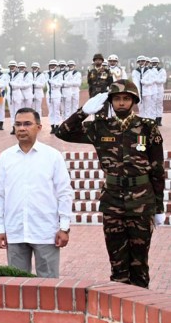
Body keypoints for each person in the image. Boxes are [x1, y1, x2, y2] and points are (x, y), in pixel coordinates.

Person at [55, 80, 165, 288]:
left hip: (141, 201)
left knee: (140, 264)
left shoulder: (147, 127)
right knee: (117, 264)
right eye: (117, 99)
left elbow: (157, 169)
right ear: (111, 102)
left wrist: (158, 207)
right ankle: (119, 302)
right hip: (113, 202)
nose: (121, 103)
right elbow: (63, 132)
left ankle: (140, 303)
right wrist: (83, 112)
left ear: (134, 101)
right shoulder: (100, 127)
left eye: (126, 99)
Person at [0, 107, 73, 278]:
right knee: (17, 285)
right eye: (18, 124)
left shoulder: (52, 156)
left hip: (46, 232)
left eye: (27, 124)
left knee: (49, 285)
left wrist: (64, 227)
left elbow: (64, 193)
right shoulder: (5, 158)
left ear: (39, 127)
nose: (22, 128)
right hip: (15, 231)